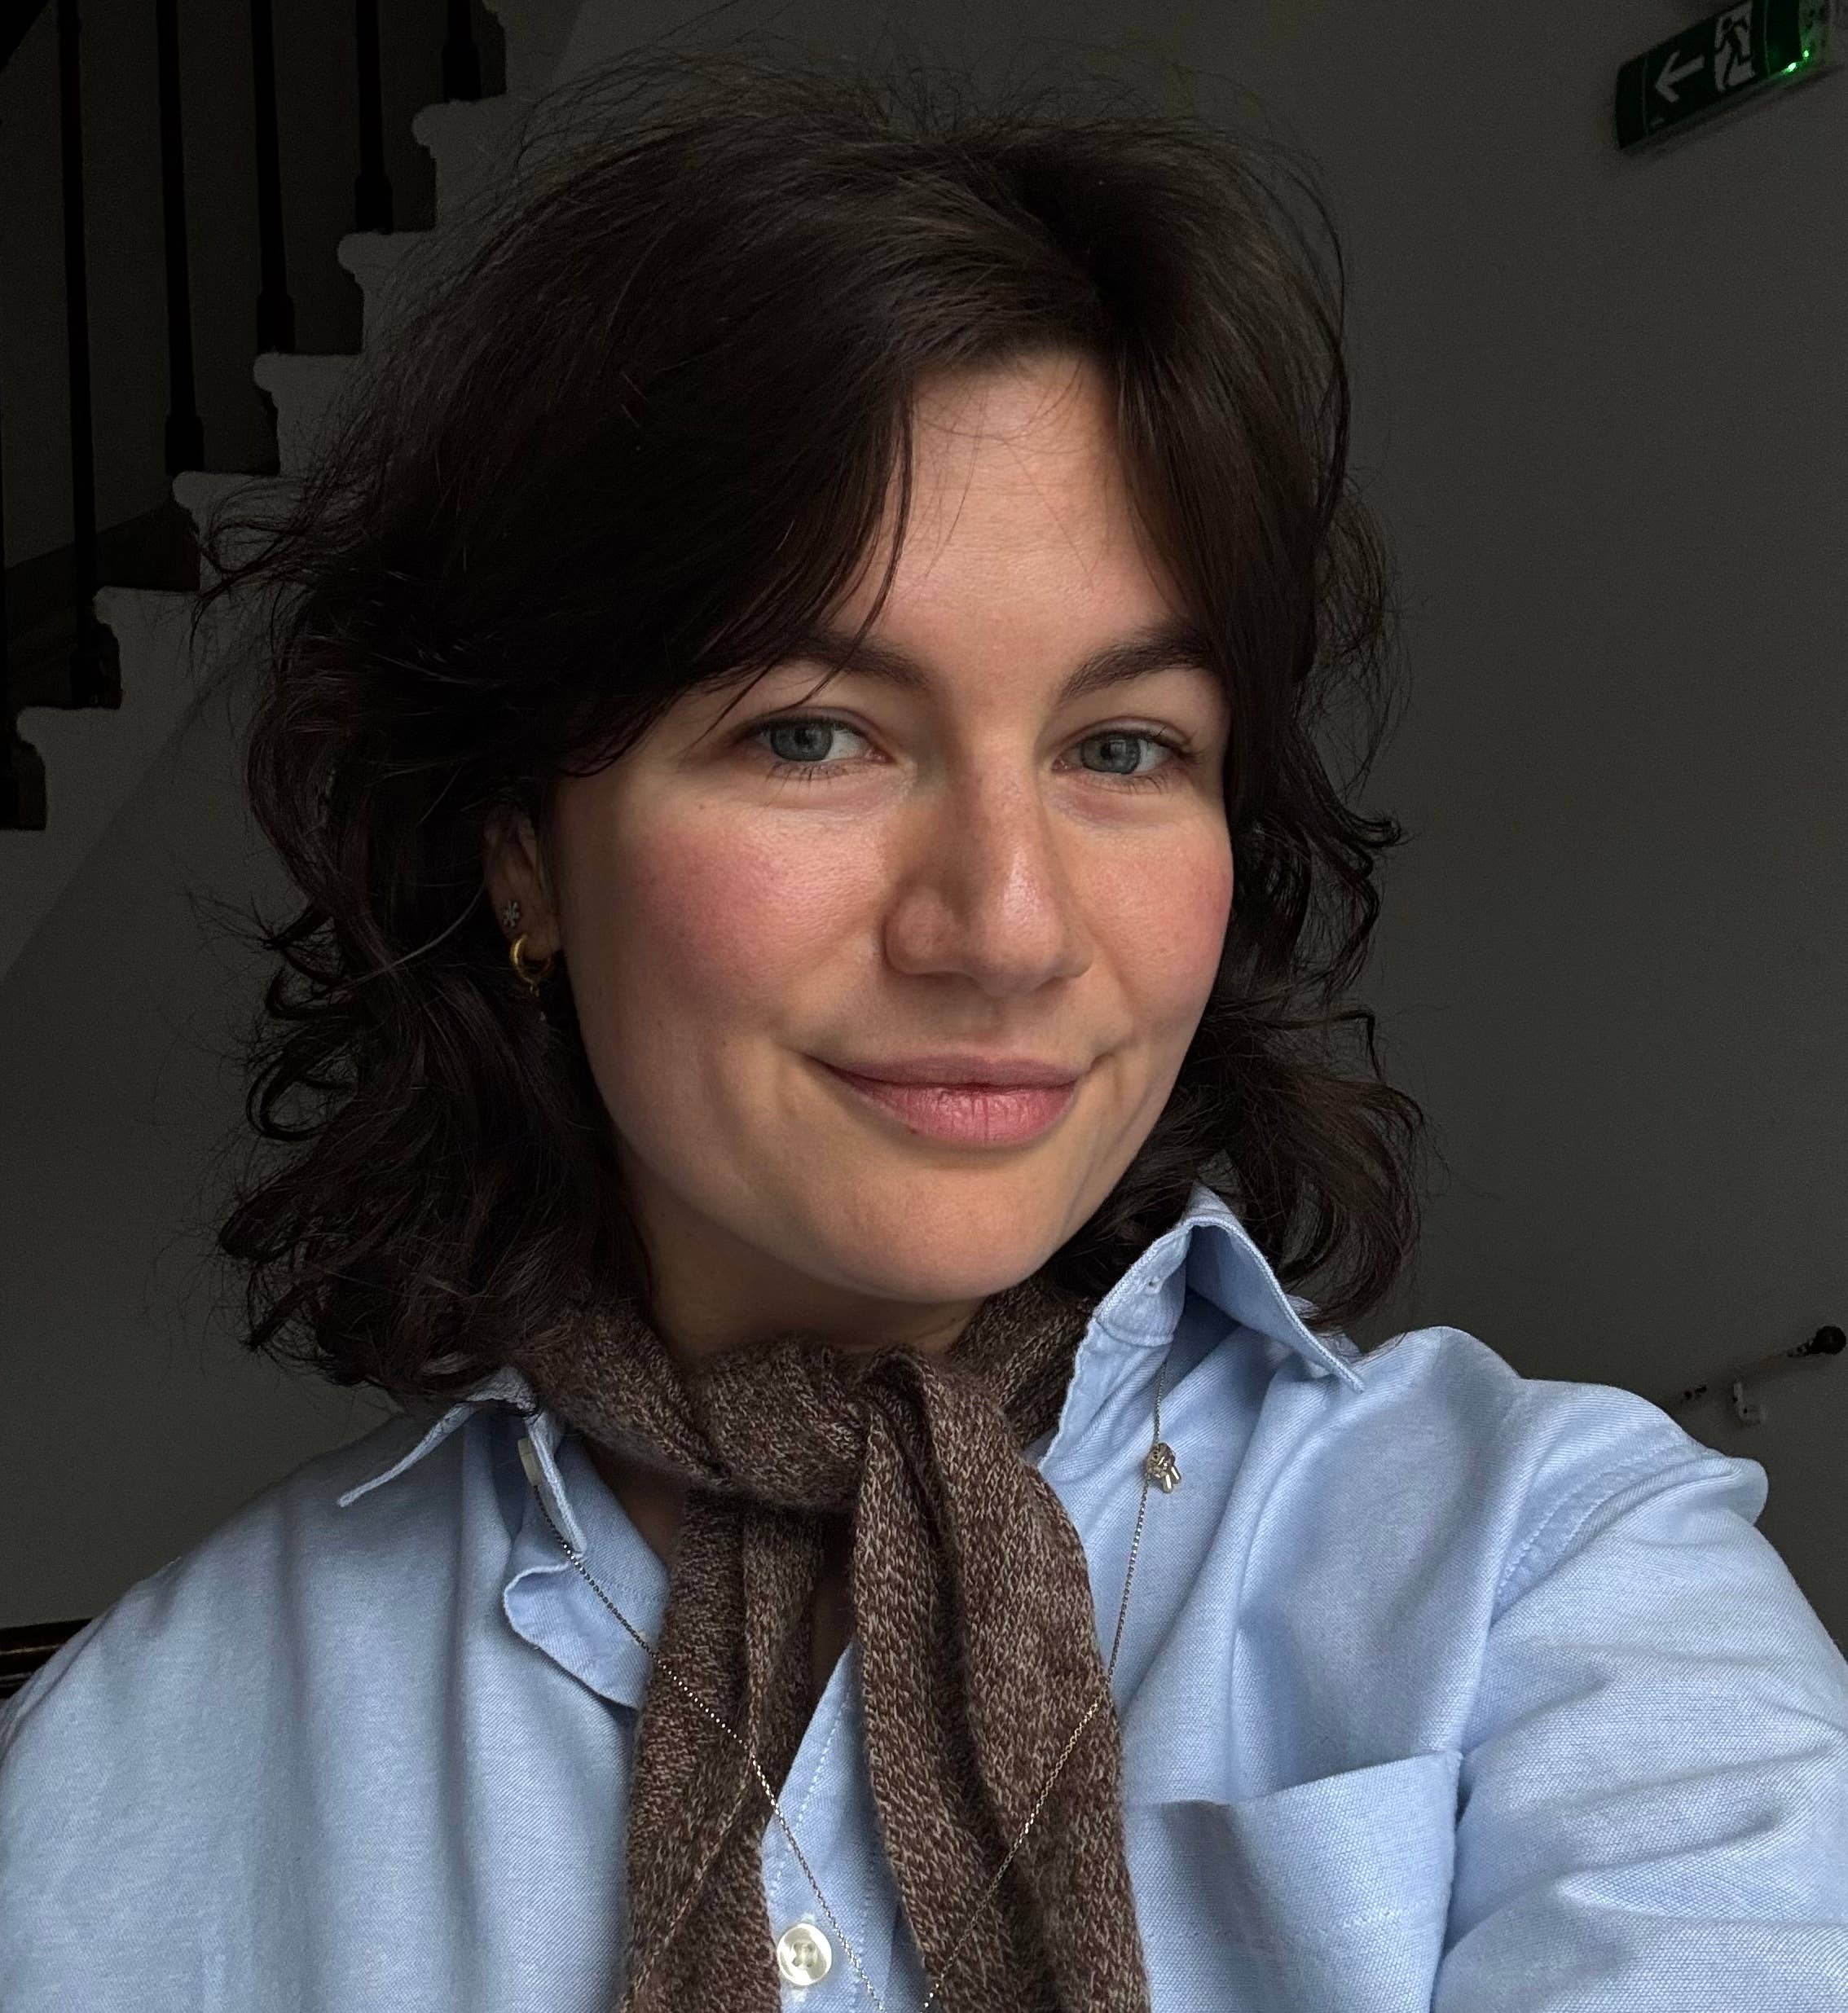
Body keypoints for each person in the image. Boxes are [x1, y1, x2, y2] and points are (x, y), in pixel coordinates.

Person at [3, 42, 1844, 2013]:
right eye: (813, 735)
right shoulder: (139, 1767)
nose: (1008, 927)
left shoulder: (1545, 1575)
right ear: (524, 849)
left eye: (1123, 746)